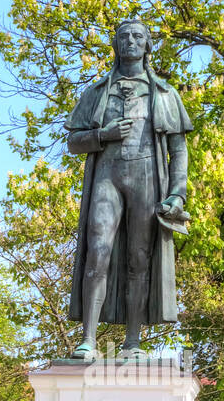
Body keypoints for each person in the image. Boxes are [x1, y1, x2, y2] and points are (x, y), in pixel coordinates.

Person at [64, 19, 193, 361]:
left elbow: (178, 149)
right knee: (98, 250)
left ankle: (132, 343)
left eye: (138, 36)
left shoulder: (164, 93)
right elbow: (73, 142)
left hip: (147, 176)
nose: (130, 41)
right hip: (108, 176)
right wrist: (103, 135)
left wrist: (177, 194)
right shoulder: (97, 92)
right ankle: (88, 341)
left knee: (139, 259)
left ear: (148, 45)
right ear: (116, 45)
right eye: (124, 36)